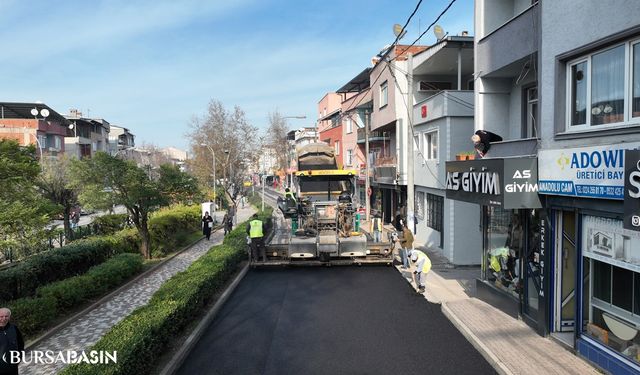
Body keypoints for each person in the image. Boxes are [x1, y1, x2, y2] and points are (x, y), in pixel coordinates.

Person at [0, 307, 24, 375]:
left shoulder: (14, 328)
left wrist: (19, 357)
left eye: (6, 316)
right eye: (1, 316)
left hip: (13, 366)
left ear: (9, 317)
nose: (4, 318)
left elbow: (20, 344)